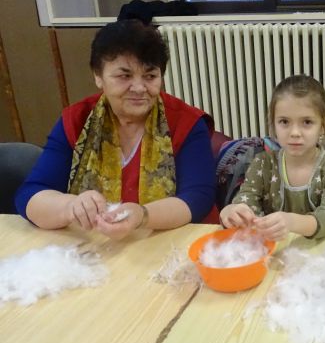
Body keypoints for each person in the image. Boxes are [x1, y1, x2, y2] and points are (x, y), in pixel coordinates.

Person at [15, 20, 216, 240]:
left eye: (150, 76)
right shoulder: (76, 120)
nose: (139, 88)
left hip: (168, 242)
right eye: (124, 76)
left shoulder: (185, 122)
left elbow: (198, 198)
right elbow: (31, 194)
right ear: (98, 76)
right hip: (97, 244)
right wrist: (71, 206)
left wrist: (142, 215)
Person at [220, 75, 325, 240]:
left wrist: (291, 222)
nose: (294, 133)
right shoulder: (262, 163)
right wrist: (233, 211)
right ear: (273, 124)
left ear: (323, 126)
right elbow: (246, 203)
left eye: (307, 122)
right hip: (277, 250)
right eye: (284, 122)